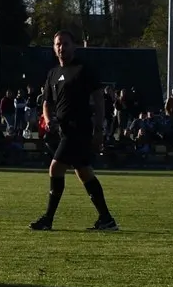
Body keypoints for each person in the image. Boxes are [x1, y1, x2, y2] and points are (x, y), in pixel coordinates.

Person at [29, 31, 118, 232]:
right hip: (64, 130)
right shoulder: (52, 73)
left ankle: (48, 219)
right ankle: (106, 219)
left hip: (79, 129)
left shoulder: (83, 69)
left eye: (66, 44)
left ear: (74, 46)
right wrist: (48, 120)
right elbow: (46, 102)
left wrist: (99, 129)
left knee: (55, 168)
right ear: (54, 48)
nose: (62, 47)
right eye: (58, 44)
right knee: (84, 172)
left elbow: (99, 98)